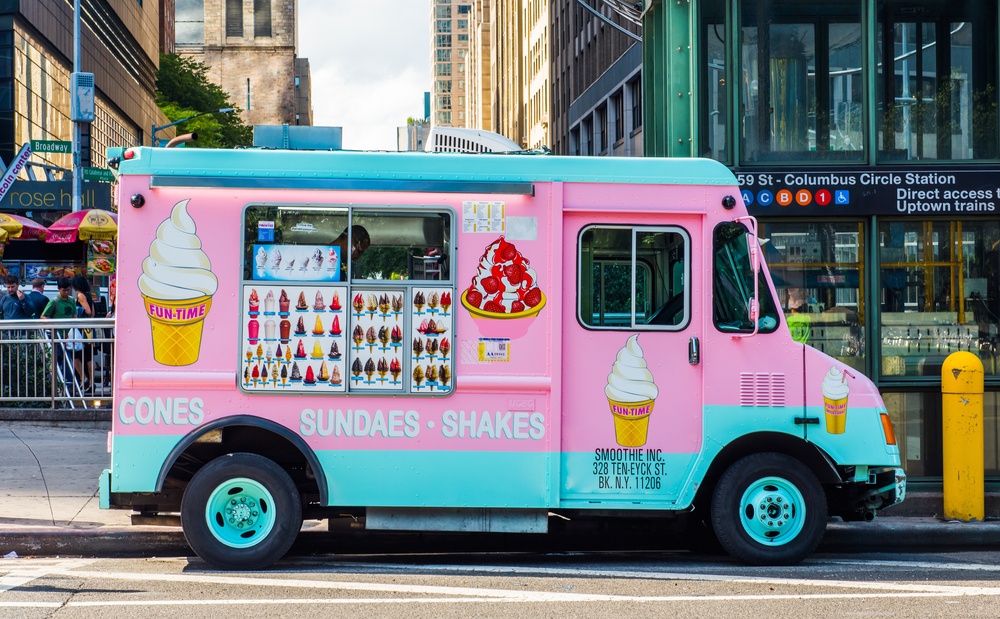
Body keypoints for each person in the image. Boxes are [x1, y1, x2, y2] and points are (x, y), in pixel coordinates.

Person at [71, 275, 96, 391]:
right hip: (90, 329)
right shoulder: (89, 296)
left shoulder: (80, 295)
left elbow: (88, 311)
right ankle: (91, 382)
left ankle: (84, 378)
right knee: (89, 357)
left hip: (82, 329)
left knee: (76, 355)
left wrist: (75, 310)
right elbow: (93, 313)